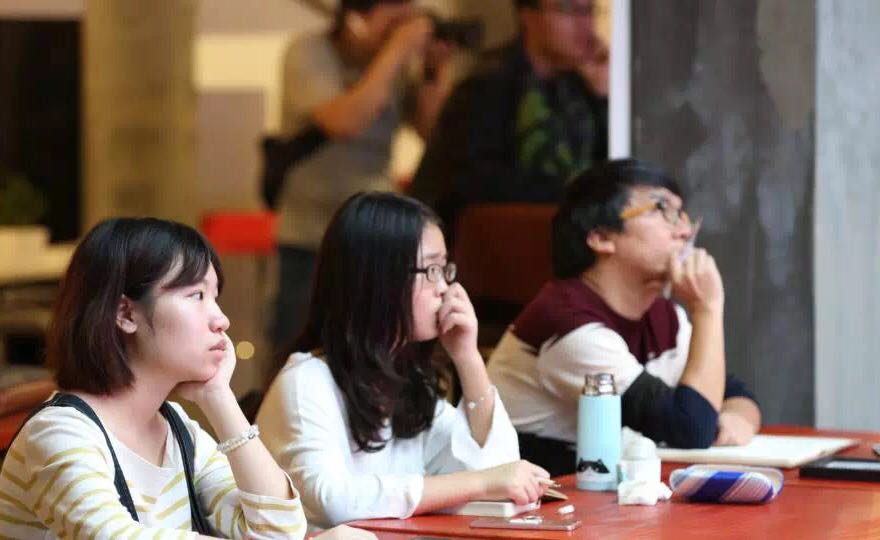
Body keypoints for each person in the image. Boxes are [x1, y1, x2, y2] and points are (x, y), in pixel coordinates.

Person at [0, 217, 369, 539]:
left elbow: (280, 531)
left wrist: (219, 398)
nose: (221, 319)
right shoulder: (61, 432)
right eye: (196, 295)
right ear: (125, 314)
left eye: (215, 297)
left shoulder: (178, 430)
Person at [257, 192, 550, 528]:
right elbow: (333, 501)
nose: (445, 288)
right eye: (431, 270)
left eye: (445, 269)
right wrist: (481, 483)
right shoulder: (306, 380)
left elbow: (500, 472)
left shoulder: (405, 380)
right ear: (378, 278)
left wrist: (467, 356)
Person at [487, 159, 762, 476]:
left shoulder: (664, 314)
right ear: (602, 237)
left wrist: (737, 417)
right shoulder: (567, 321)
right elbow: (690, 427)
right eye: (662, 210)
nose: (685, 231)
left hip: (606, 495)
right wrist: (707, 308)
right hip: (539, 498)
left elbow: (728, 391)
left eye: (682, 215)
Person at [272, 0, 455, 355]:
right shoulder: (309, 52)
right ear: (356, 16)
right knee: (298, 347)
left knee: (370, 346)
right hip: (311, 234)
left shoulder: (397, 67)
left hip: (374, 238)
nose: (401, 33)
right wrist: (396, 51)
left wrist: (434, 71)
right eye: (394, 22)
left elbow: (434, 133)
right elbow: (344, 121)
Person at [409, 0, 608, 227]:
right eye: (569, 10)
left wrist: (603, 98)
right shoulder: (488, 82)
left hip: (551, 229)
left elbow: (611, 169)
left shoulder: (583, 86)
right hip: (479, 235)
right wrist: (574, 191)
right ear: (528, 15)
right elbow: (477, 181)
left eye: (590, 10)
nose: (586, 24)